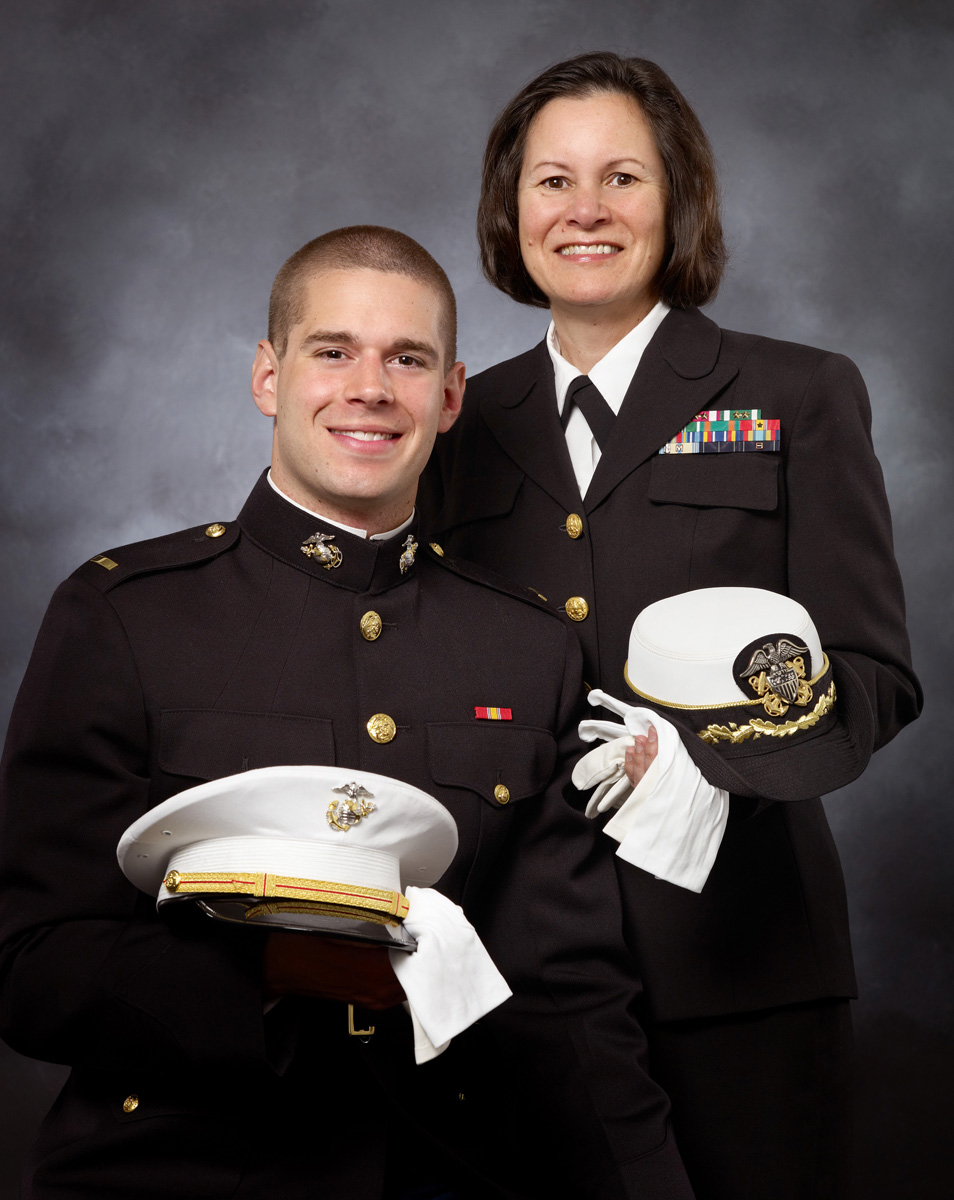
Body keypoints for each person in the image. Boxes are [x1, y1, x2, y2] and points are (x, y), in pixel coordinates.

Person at [0, 226, 695, 1199]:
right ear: (267, 376)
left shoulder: (529, 649)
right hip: (176, 1169)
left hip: (436, 1168)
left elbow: (570, 995)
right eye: (333, 351)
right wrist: (290, 973)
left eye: (406, 359)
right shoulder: (124, 615)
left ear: (448, 397)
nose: (370, 388)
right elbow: (32, 963)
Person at [419, 53, 922, 1200]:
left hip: (743, 963)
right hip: (512, 971)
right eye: (551, 181)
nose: (583, 211)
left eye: (622, 178)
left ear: (678, 200)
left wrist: (706, 764)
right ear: (510, 210)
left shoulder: (795, 393)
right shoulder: (454, 419)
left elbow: (873, 673)